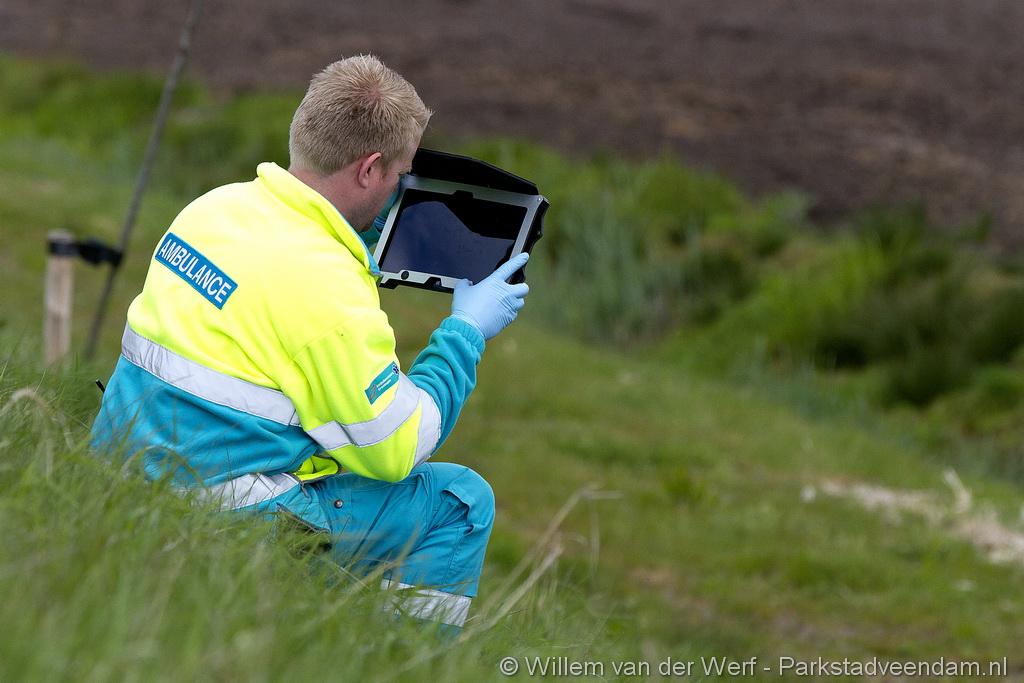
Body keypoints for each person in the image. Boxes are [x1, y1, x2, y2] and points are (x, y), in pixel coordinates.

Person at [89, 55, 531, 633]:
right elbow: (398, 447)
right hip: (219, 515)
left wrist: (350, 244)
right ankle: (404, 658)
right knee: (461, 503)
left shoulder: (213, 207)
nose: (400, 192)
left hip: (120, 471)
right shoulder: (329, 292)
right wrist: (465, 332)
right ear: (369, 169)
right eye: (400, 176)